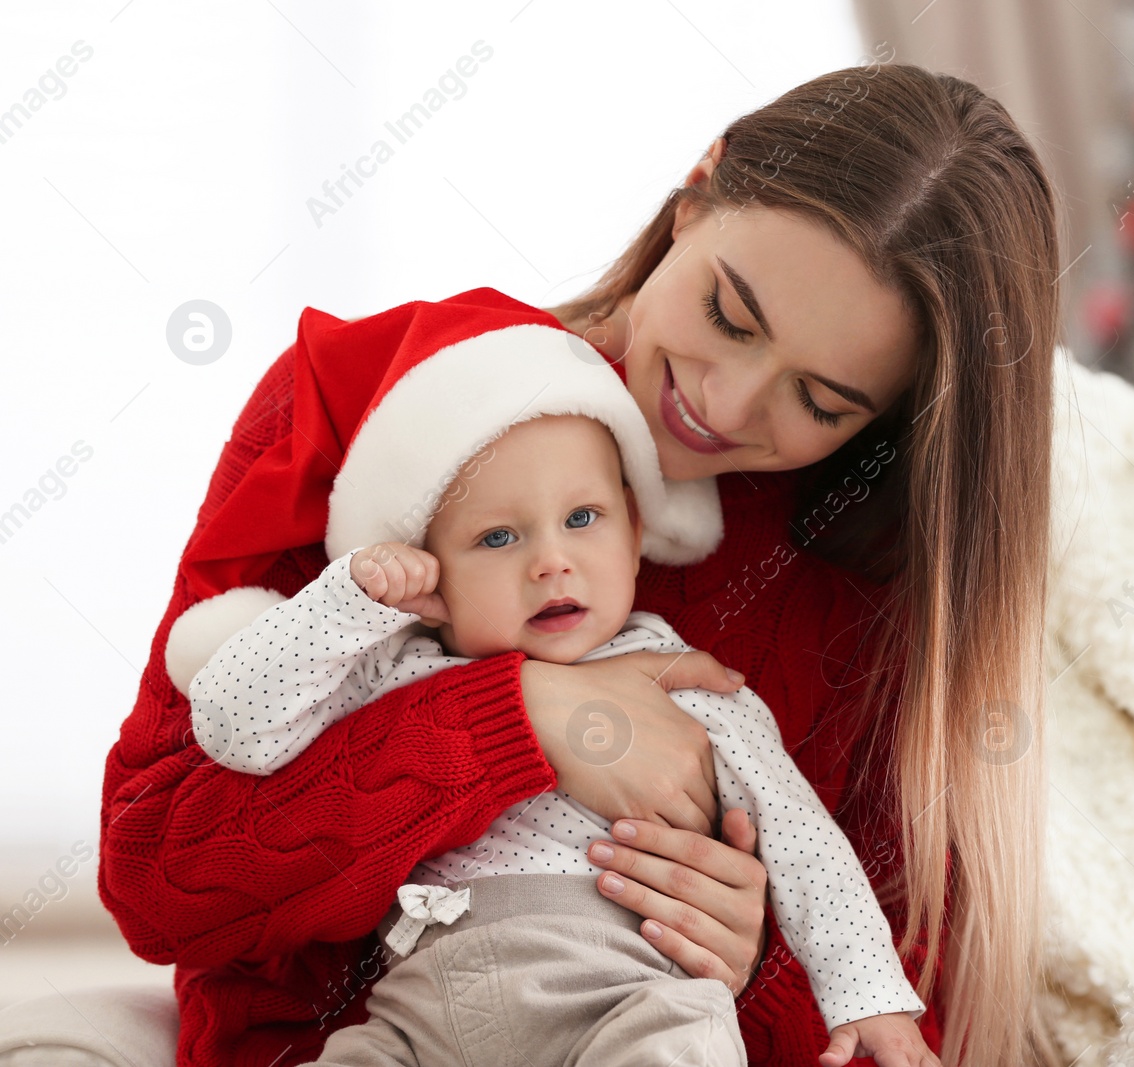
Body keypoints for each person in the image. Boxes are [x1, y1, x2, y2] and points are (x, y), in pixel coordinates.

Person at [83, 62, 1061, 1067]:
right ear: (695, 193)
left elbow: (902, 1024)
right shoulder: (371, 402)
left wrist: (746, 960)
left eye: (819, 401)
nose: (724, 407)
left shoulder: (862, 574)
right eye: (729, 315)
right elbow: (161, 883)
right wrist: (523, 722)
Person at [181, 325, 939, 1065]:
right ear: (431, 580)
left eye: (582, 519)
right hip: (419, 1016)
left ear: (637, 529)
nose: (552, 563)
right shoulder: (397, 679)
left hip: (625, 1001)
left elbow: (801, 838)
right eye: (498, 537)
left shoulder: (689, 687)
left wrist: (868, 994)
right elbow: (234, 727)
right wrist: (347, 599)